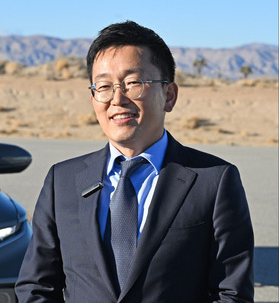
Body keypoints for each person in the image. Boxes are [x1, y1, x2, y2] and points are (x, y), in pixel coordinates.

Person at [15, 21, 254, 303]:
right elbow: (36, 287)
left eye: (133, 83)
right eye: (103, 86)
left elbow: (231, 293)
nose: (117, 99)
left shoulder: (213, 181)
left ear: (169, 95)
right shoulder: (62, 180)